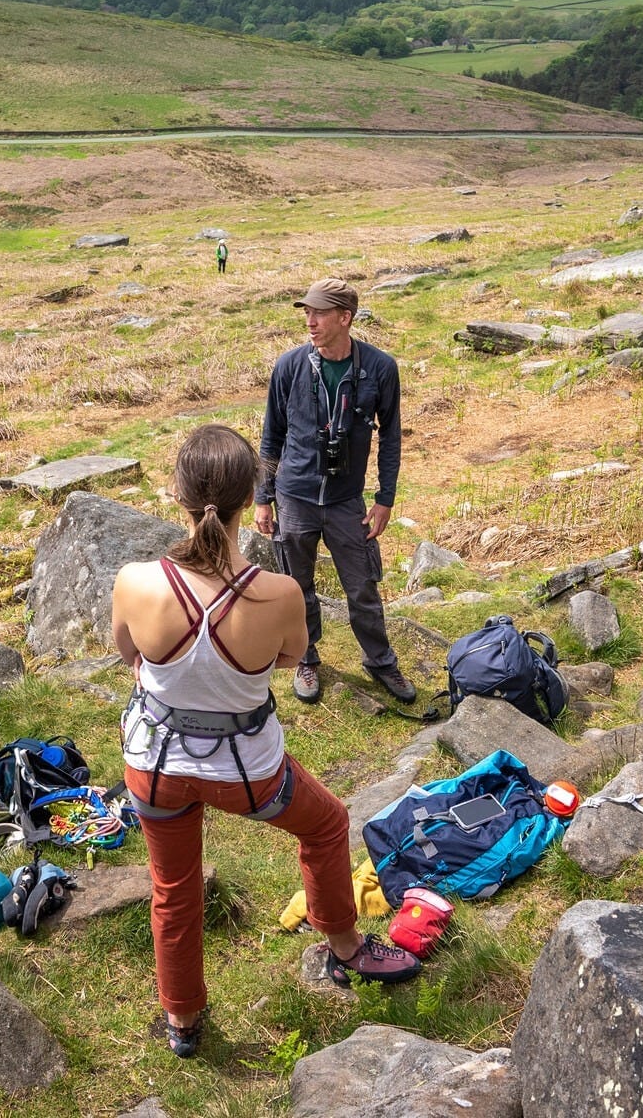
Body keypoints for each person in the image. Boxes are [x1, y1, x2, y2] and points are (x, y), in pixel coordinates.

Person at [114, 425, 421, 1058]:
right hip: (246, 772)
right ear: (251, 493)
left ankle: (183, 1019)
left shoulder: (135, 581)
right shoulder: (277, 593)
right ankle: (345, 947)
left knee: (174, 889)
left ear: (177, 493)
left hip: (156, 764)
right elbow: (288, 659)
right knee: (328, 823)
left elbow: (128, 654)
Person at [255, 278, 414, 706]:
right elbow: (271, 438)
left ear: (345, 318)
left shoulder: (380, 368)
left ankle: (380, 661)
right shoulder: (289, 366)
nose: (310, 321)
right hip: (294, 498)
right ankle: (306, 658)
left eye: (319, 313)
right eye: (306, 312)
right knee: (296, 587)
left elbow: (392, 438)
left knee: (362, 587)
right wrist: (262, 497)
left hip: (347, 500)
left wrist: (385, 499)